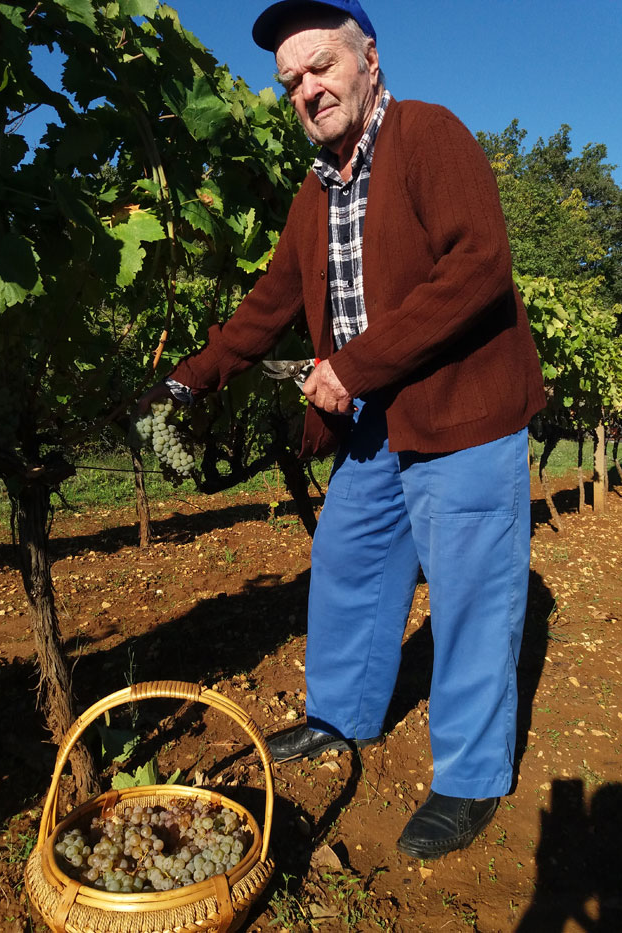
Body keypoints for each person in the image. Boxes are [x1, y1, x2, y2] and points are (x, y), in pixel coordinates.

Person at [140, 0, 546, 860]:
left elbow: (479, 265)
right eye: (291, 80)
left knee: (472, 599)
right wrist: (188, 377)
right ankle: (339, 715)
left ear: (368, 59)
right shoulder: (314, 194)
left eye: (321, 65)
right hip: (375, 425)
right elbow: (268, 306)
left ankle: (471, 776)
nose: (307, 89)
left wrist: (353, 368)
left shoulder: (430, 136)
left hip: (463, 415)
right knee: (348, 565)